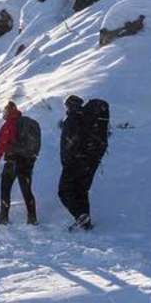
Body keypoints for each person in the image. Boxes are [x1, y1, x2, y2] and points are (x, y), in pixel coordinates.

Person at [58, 95, 110, 230]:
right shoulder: (89, 118)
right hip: (92, 160)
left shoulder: (74, 118)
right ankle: (85, 221)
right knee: (81, 190)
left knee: (64, 191)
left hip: (75, 160)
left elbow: (72, 141)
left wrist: (69, 159)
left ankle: (80, 215)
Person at [0, 101, 40, 225]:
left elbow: (1, 144)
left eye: (5, 111)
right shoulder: (24, 122)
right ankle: (32, 218)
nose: (4, 114)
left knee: (5, 188)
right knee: (26, 190)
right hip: (27, 161)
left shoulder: (9, 125)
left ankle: (3, 218)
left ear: (9, 111)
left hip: (13, 161)